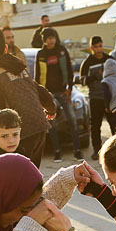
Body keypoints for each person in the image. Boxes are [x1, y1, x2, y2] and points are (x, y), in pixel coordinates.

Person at [0, 26, 57, 166]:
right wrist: (51, 109)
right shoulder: (20, 68)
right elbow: (40, 91)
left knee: (16, 181)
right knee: (32, 178)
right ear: (5, 49)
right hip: (39, 127)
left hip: (17, 135)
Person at [35, 28, 83, 162]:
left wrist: (70, 88)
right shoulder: (41, 54)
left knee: (72, 120)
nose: (51, 40)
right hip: (48, 95)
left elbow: (69, 69)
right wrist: (41, 95)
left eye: (53, 37)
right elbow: (37, 76)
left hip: (63, 92)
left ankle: (77, 151)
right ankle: (57, 152)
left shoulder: (62, 51)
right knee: (52, 124)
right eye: (48, 38)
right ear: (44, 39)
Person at [80, 36, 113, 156]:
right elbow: (82, 80)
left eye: (100, 46)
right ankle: (97, 150)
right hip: (95, 98)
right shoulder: (88, 62)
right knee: (95, 126)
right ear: (91, 48)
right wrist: (96, 77)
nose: (98, 49)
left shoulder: (109, 59)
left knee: (114, 124)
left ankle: (115, 149)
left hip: (109, 98)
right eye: (96, 47)